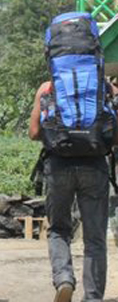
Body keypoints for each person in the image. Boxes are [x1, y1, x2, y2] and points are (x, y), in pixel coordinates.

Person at [30, 83, 114, 302]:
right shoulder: (104, 87)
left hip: (58, 166)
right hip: (94, 166)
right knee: (95, 237)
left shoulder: (47, 88)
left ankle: (64, 278)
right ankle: (93, 297)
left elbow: (34, 132)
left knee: (58, 229)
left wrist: (60, 136)